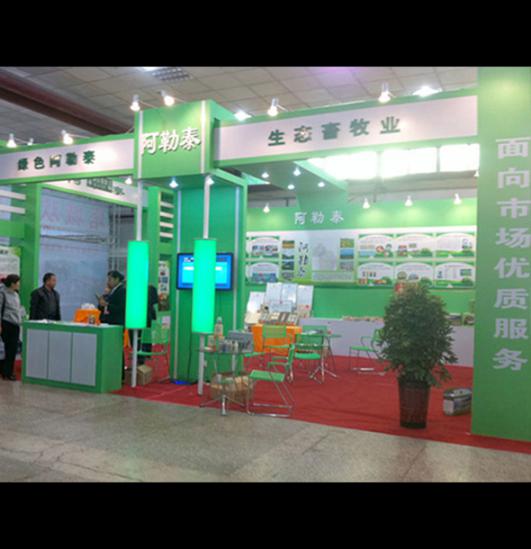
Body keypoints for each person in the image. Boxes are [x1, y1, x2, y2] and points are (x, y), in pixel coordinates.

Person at [98, 271, 126, 379]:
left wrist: (107, 305)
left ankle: (120, 374)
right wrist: (102, 304)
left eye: (110, 279)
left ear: (117, 279)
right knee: (111, 349)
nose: (108, 282)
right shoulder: (112, 291)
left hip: (117, 323)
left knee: (117, 350)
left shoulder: (122, 291)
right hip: (109, 323)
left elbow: (121, 308)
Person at [0, 274, 24, 381]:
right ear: (12, 283)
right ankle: (6, 372)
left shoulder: (16, 294)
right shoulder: (2, 293)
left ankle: (8, 371)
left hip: (15, 324)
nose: (19, 284)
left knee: (12, 349)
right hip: (6, 324)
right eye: (18, 282)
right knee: (6, 349)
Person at [138, 285, 159, 365]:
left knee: (141, 336)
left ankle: (141, 355)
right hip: (149, 315)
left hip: (143, 316)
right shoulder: (151, 288)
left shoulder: (142, 290)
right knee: (147, 334)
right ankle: (147, 352)